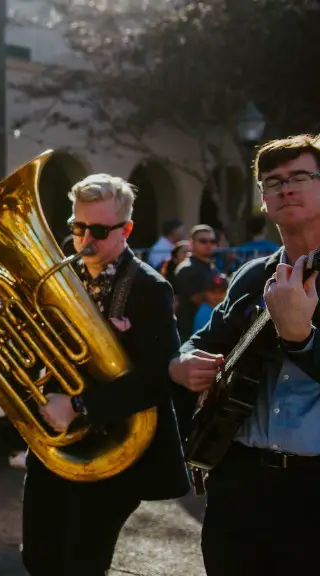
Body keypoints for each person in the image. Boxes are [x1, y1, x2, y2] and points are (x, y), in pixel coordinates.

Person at [22, 174, 190, 576]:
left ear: (126, 229)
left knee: (80, 564)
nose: (84, 240)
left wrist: (80, 406)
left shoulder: (151, 289)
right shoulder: (59, 271)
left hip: (112, 447)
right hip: (55, 444)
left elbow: (160, 376)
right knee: (38, 558)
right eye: (77, 228)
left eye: (97, 229)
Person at [169, 134, 320, 576]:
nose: (285, 188)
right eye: (272, 182)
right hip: (239, 481)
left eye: (300, 177)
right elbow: (204, 339)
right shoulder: (253, 274)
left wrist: (301, 339)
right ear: (263, 200)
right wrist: (182, 365)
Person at [173, 224, 218, 340]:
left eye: (212, 241)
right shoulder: (186, 269)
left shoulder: (212, 268)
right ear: (191, 243)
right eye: (203, 241)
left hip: (209, 330)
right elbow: (197, 299)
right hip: (189, 333)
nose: (208, 245)